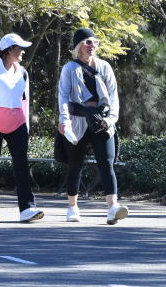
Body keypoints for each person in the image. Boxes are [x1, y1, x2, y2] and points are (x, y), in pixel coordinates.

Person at [58, 28, 128, 224]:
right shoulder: (69, 69)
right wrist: (64, 120)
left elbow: (113, 97)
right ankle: (72, 206)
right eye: (88, 42)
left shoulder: (105, 67)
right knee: (75, 164)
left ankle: (112, 207)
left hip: (101, 120)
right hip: (77, 120)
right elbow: (63, 96)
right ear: (79, 46)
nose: (92, 46)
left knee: (106, 162)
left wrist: (110, 119)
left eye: (95, 42)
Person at [0, 33, 44, 223]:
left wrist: (27, 128)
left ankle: (27, 209)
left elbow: (25, 102)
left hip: (17, 124)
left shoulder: (23, 72)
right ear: (8, 51)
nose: (23, 52)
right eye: (19, 48)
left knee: (22, 165)